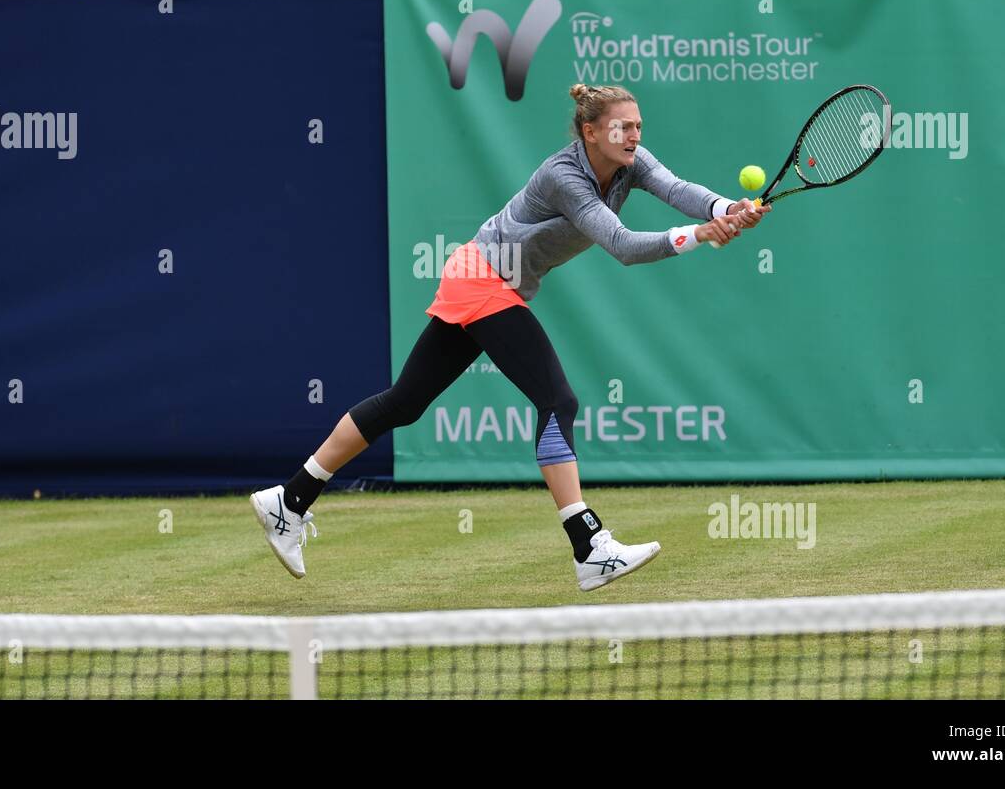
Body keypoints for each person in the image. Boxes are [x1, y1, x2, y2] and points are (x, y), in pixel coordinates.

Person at [252, 83, 770, 591]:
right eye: (623, 126)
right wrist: (697, 235)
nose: (634, 135)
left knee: (404, 402)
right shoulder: (564, 177)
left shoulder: (632, 162)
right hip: (485, 278)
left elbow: (678, 189)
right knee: (556, 399)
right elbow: (622, 245)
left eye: (638, 126)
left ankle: (290, 500)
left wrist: (726, 209)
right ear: (591, 132)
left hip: (484, 277)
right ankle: (589, 548)